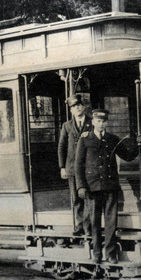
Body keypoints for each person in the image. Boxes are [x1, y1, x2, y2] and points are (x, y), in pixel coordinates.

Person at [75, 109, 138, 264]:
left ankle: (110, 254)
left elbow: (128, 156)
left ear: (107, 123)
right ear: (92, 122)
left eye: (104, 121)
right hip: (92, 188)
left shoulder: (113, 139)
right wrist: (81, 187)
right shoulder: (85, 140)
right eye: (98, 121)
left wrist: (138, 143)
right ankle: (97, 254)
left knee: (111, 223)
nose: (101, 124)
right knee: (95, 222)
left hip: (110, 187)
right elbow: (78, 165)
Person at [58, 94, 92, 236]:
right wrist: (62, 167)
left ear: (83, 107)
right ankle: (79, 226)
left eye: (79, 105)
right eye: (73, 106)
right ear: (71, 110)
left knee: (89, 198)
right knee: (76, 198)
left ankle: (88, 227)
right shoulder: (67, 126)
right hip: (72, 168)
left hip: (88, 167)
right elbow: (61, 146)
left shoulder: (92, 123)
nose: (77, 108)